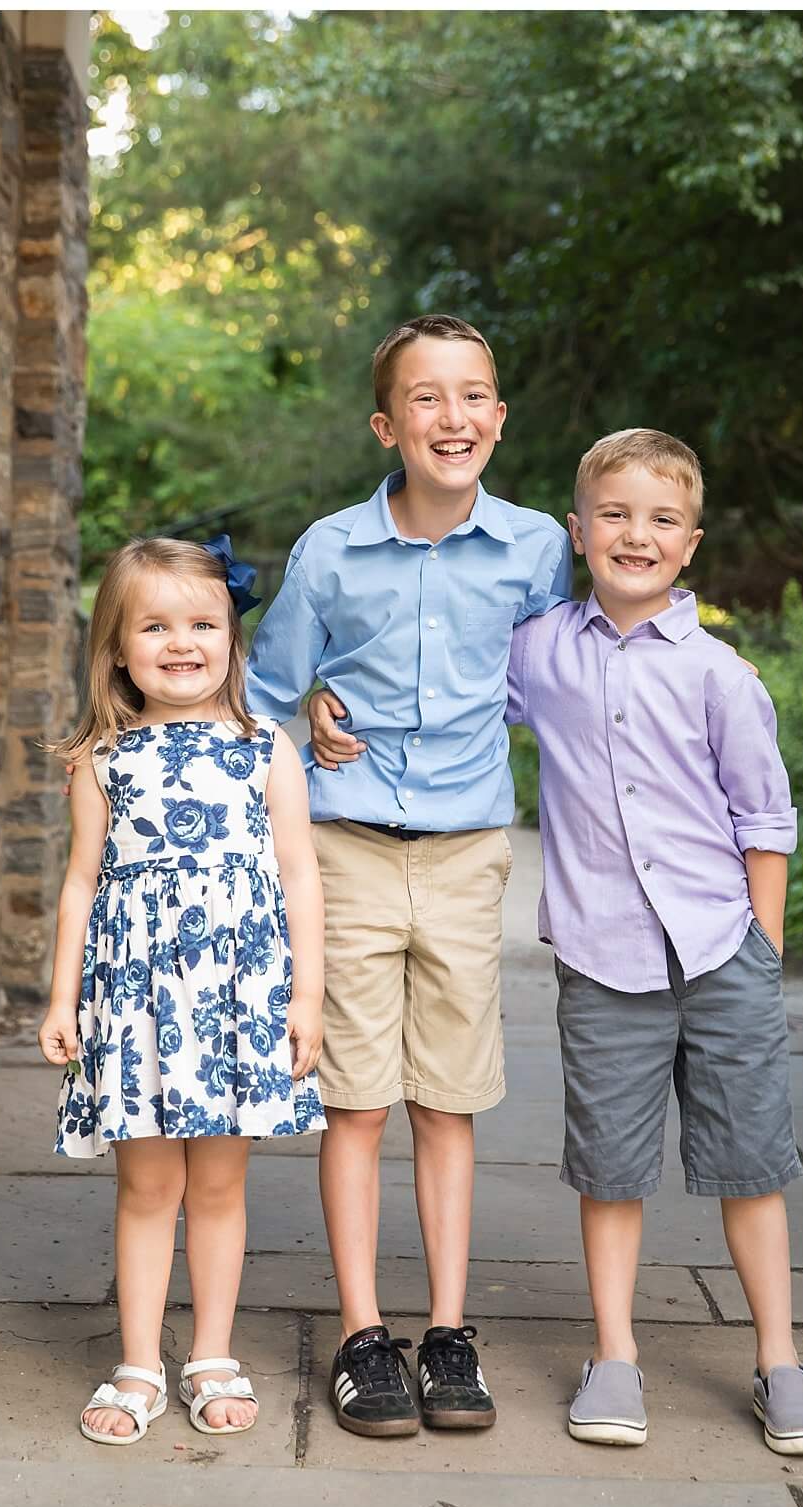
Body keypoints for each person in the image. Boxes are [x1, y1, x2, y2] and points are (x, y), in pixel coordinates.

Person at [246, 315, 571, 1440]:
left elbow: (551, 679)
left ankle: (446, 1332)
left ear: (497, 417)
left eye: (471, 395)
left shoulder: (534, 549)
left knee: (449, 1097)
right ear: (387, 425)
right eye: (425, 399)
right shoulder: (330, 552)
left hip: (470, 850)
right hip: (347, 848)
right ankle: (361, 1335)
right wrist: (307, 708)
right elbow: (266, 689)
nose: (452, 416)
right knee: (358, 1100)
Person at [509, 429, 803, 1457]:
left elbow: (765, 816)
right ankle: (614, 1357)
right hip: (602, 956)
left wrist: (762, 947)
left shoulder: (720, 677)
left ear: (690, 544)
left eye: (660, 519)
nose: (635, 534)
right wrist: (330, 706)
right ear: (577, 531)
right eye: (613, 514)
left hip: (719, 951)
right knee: (609, 1171)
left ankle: (780, 1361)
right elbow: (443, 701)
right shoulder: (536, 652)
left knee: (752, 1163)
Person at [38, 535, 327, 1444]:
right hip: (136, 1004)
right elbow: (81, 879)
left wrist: (307, 998)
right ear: (117, 649)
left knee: (219, 1186)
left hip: (238, 1000)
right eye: (154, 626)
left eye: (203, 623)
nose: (181, 642)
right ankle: (134, 1362)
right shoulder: (103, 756)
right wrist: (60, 998)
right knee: (146, 1185)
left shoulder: (263, 749)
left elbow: (301, 875)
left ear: (232, 640)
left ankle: (210, 1354)